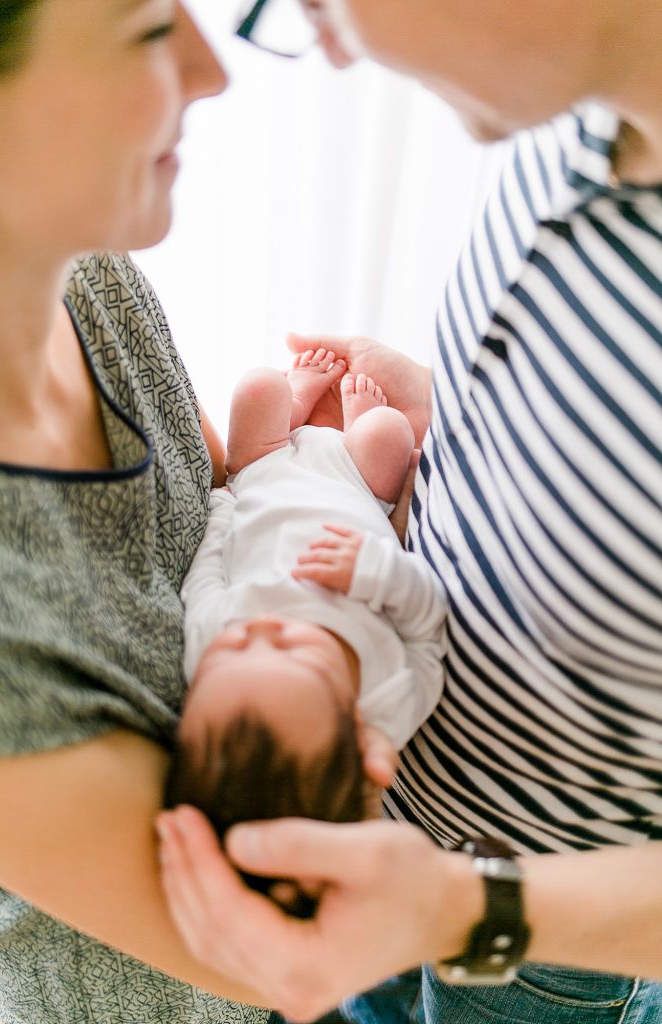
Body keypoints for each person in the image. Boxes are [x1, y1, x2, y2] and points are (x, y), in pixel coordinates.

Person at [156, 0, 662, 1021]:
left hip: (544, 931)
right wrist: (461, 419)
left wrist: (475, 907)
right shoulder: (567, 123)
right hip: (388, 833)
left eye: (315, 6)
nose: (331, 47)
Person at [0, 3, 287, 1022]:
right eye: (151, 28)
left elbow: (225, 518)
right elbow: (272, 950)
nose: (213, 71)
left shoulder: (85, 274)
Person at [165, 350, 446, 915]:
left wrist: (226, 500)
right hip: (357, 490)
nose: (265, 628)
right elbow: (427, 630)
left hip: (262, 470)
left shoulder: (211, 647)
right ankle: (353, 436)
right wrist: (376, 569)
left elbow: (210, 574)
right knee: (389, 433)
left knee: (258, 388)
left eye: (237, 647)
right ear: (361, 738)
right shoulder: (386, 703)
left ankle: (292, 402)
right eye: (293, 652)